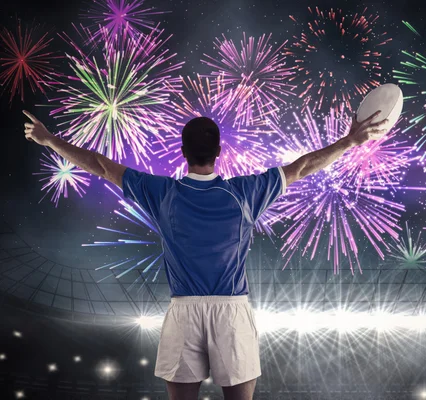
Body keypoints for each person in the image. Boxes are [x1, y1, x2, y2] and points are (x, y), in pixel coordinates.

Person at [22, 109, 388, 400]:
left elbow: (100, 165)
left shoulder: (162, 193)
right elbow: (304, 166)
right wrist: (350, 140)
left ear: (182, 152)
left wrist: (48, 139)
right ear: (219, 153)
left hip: (184, 310)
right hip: (232, 310)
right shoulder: (245, 192)